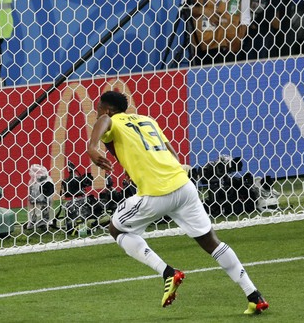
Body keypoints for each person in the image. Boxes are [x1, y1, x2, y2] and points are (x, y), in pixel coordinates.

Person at [86, 91, 269, 315]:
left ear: (107, 109)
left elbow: (105, 121)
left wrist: (92, 147)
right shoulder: (147, 120)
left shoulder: (110, 120)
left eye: (98, 109)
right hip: (184, 187)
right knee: (211, 242)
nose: (97, 114)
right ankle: (254, 295)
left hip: (156, 193)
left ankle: (167, 273)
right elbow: (172, 156)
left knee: (116, 228)